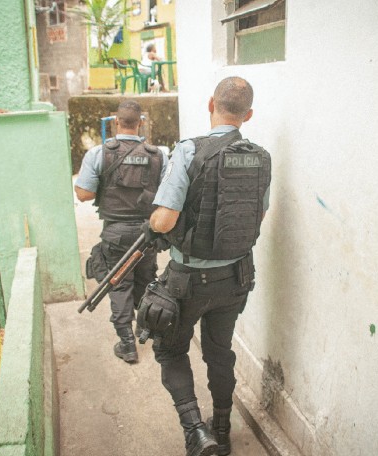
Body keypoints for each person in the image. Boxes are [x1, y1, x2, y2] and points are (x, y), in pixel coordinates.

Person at [143, 77, 271, 456]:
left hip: (188, 282)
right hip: (235, 278)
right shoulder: (261, 157)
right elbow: (259, 216)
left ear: (209, 104)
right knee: (219, 351)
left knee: (169, 350)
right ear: (248, 115)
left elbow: (164, 221)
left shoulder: (189, 151)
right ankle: (223, 429)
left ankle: (196, 432)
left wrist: (152, 224)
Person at [74, 100, 168, 364]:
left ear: (116, 121)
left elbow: (83, 194)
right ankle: (147, 329)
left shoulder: (98, 154)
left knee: (119, 284)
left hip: (115, 234)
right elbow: (169, 195)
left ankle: (127, 344)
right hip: (147, 233)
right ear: (141, 123)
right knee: (147, 280)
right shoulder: (159, 154)